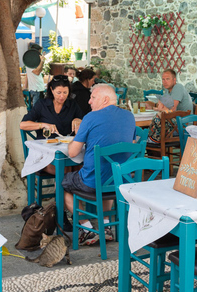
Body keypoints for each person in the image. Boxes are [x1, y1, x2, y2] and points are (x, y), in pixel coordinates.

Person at [64, 84, 136, 245]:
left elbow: (73, 153)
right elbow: (130, 145)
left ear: (105, 99)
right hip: (122, 180)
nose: (89, 101)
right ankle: (105, 227)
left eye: (93, 97)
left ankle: (87, 229)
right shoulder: (129, 116)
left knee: (64, 184)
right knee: (109, 174)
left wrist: (74, 140)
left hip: (93, 182)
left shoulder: (90, 117)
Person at [20, 75, 84, 175]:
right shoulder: (42, 105)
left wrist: (78, 120)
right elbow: (23, 125)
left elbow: (83, 122)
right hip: (44, 153)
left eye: (65, 92)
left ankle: (67, 190)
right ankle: (63, 190)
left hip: (67, 151)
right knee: (65, 170)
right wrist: (43, 125)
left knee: (80, 167)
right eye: (59, 93)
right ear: (52, 90)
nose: (62, 96)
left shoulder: (72, 105)